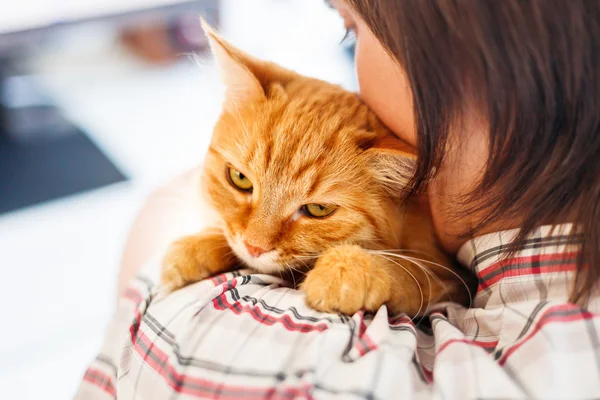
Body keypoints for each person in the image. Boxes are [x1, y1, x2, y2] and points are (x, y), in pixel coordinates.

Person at [76, 1, 600, 399]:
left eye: (353, 31)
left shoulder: (215, 336)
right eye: (239, 181)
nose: (255, 241)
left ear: (474, 64)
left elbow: (438, 280)